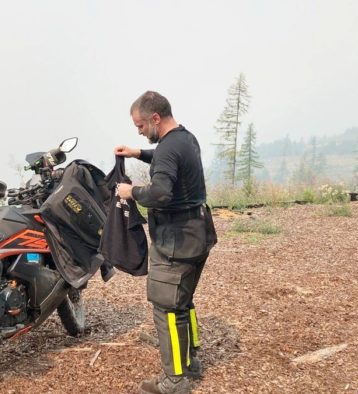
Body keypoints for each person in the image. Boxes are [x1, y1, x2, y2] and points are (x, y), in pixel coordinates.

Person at [115, 91, 217, 394]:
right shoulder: (185, 138)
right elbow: (166, 156)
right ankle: (192, 361)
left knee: (166, 307)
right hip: (198, 232)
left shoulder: (169, 148)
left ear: (155, 118)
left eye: (141, 126)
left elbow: (160, 193)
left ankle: (174, 381)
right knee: (182, 301)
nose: (140, 131)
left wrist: (130, 192)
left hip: (177, 240)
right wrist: (138, 153)